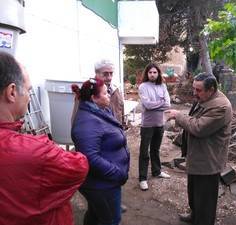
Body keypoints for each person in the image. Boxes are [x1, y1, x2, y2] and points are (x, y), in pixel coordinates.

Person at [0, 51, 89, 225]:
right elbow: (80, 166)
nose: (28, 98)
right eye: (28, 90)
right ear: (12, 92)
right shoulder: (36, 151)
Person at [165, 73, 232, 225]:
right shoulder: (205, 98)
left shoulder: (221, 106)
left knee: (205, 200)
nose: (194, 93)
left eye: (198, 90)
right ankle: (194, 215)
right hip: (198, 156)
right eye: (194, 88)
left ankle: (203, 220)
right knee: (194, 193)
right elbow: (194, 118)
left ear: (211, 89)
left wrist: (178, 116)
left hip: (208, 160)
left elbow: (198, 127)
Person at [71, 78, 130, 225]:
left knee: (96, 215)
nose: (109, 95)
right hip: (101, 185)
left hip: (105, 182)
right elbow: (90, 158)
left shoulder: (101, 111)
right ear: (93, 98)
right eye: (105, 93)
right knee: (111, 220)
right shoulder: (87, 122)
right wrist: (117, 174)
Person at [138, 62, 171, 191]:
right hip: (147, 124)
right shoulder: (143, 86)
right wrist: (160, 103)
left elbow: (167, 104)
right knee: (144, 151)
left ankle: (157, 171)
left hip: (160, 123)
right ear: (147, 73)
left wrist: (154, 104)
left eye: (155, 72)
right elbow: (147, 105)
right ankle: (142, 178)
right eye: (150, 72)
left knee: (155, 150)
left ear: (158, 74)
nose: (152, 74)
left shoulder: (163, 86)